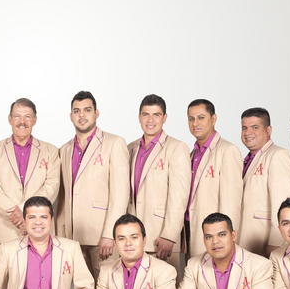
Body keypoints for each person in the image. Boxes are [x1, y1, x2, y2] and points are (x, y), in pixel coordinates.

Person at [55, 90, 130, 278]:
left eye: (87, 110)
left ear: (96, 113)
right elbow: (62, 198)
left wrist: (110, 233)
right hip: (72, 237)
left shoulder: (114, 143)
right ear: (71, 116)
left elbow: (121, 194)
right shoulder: (64, 150)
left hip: (102, 236)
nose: (82, 115)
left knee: (108, 287)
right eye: (77, 111)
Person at [0, 98, 60, 257]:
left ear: (35, 120)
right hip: (3, 229)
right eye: (17, 116)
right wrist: (15, 212)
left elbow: (52, 186)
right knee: (2, 274)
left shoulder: (50, 150)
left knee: (39, 273)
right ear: (10, 119)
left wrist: (27, 212)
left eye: (27, 117)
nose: (22, 122)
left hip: (39, 228)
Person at [128, 93, 191, 275]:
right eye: (146, 114)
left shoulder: (177, 148)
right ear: (139, 117)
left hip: (160, 237)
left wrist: (169, 235)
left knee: (166, 286)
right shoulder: (130, 148)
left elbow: (179, 196)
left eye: (156, 115)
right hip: (133, 236)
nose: (150, 120)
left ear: (164, 118)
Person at [184, 99, 242, 257]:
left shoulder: (227, 151)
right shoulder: (192, 154)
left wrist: (225, 240)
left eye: (201, 117)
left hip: (213, 233)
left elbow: (232, 202)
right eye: (191, 119)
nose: (195, 123)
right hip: (188, 227)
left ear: (213, 119)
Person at [238, 107, 290, 257]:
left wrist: (276, 243)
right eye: (244, 128)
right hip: (244, 241)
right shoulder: (246, 160)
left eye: (255, 127)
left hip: (266, 244)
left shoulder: (279, 155)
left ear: (268, 130)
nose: (248, 132)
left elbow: (285, 206)